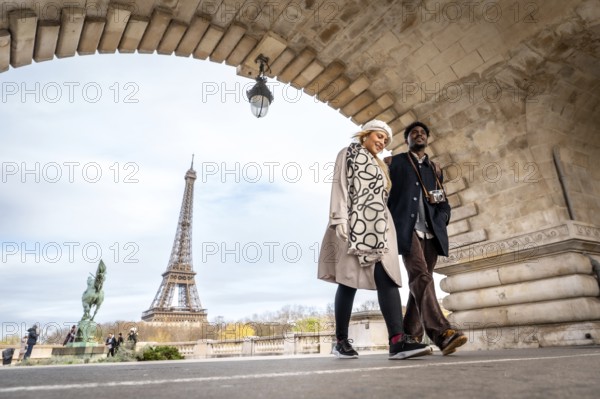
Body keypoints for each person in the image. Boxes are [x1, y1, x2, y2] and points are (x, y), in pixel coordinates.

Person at [318, 119, 432, 360]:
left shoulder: (381, 165)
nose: (382, 142)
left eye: (386, 140)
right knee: (348, 281)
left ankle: (397, 342)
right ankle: (340, 341)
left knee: (387, 278)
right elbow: (339, 184)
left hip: (380, 228)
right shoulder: (348, 152)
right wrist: (338, 218)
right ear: (366, 134)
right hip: (352, 223)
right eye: (379, 136)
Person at [386, 121, 467, 355]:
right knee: (420, 275)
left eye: (422, 133)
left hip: (431, 233)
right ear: (407, 140)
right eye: (414, 133)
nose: (418, 135)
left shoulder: (435, 169)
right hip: (407, 230)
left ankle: (410, 337)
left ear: (427, 139)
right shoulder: (394, 163)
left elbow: (444, 202)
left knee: (420, 281)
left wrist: (442, 219)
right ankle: (442, 333)